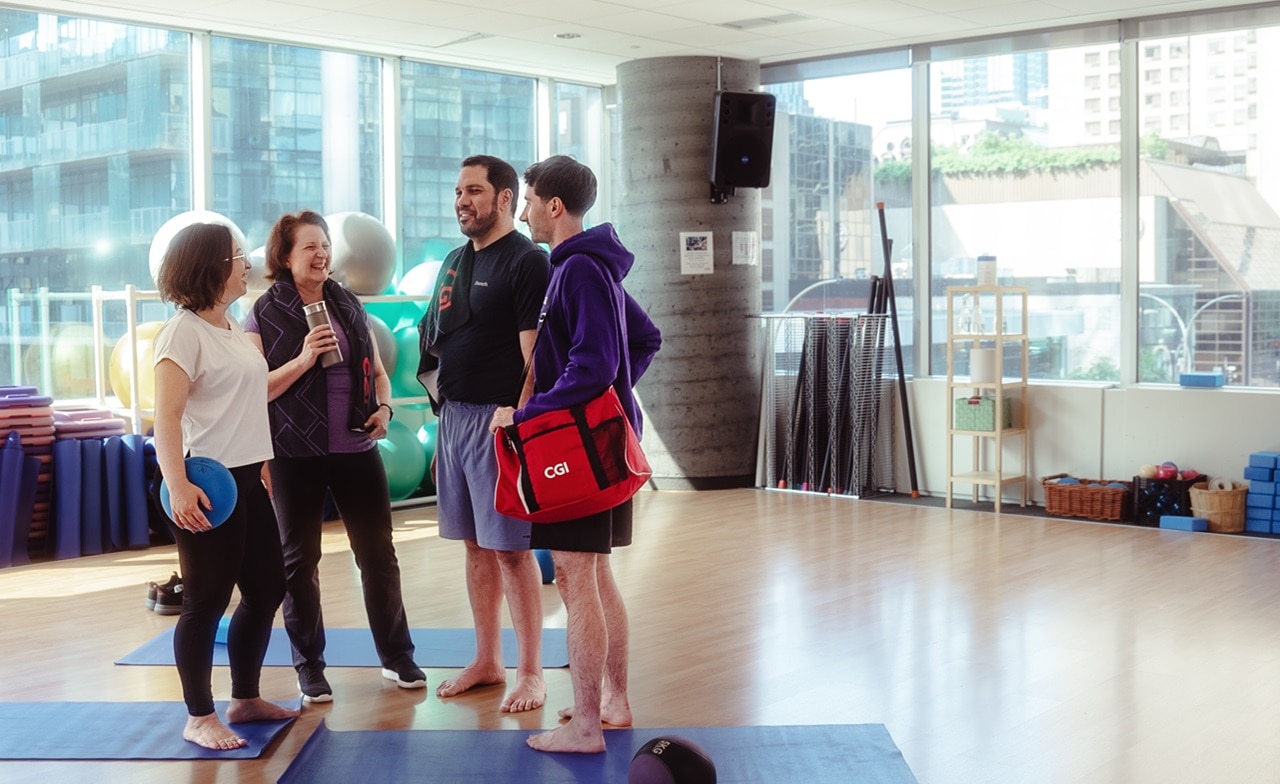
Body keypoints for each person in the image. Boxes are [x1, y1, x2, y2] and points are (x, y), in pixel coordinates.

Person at [489, 155, 661, 753]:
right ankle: (611, 700)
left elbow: (595, 364)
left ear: (553, 206)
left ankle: (586, 726)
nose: (526, 210)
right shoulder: (590, 266)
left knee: (572, 576)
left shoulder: (579, 270)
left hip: (583, 453)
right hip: (604, 444)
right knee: (594, 571)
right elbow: (643, 340)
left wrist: (531, 414)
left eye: (530, 199)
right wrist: (612, 400)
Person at [244, 210, 425, 703]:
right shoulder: (261, 312)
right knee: (298, 564)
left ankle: (397, 656)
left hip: (356, 448)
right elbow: (252, 390)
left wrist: (385, 408)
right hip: (293, 452)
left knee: (379, 557)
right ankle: (309, 667)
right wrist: (303, 358)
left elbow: (380, 374)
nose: (321, 253)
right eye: (309, 246)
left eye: (325, 244)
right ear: (284, 256)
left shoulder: (347, 304)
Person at [151, 222, 299, 750]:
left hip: (246, 475)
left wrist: (260, 462)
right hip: (204, 480)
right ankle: (198, 715)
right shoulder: (182, 332)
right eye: (238, 256)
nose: (246, 264)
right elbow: (165, 417)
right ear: (214, 266)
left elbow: (247, 398)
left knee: (266, 589)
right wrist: (178, 487)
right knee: (205, 600)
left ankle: (245, 696)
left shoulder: (230, 326)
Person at [417, 155, 551, 713]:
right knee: (474, 548)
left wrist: (517, 420)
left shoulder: (527, 260)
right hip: (455, 421)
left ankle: (531, 673)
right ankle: (487, 659)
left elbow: (534, 358)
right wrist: (441, 425)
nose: (461, 201)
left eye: (473, 190)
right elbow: (437, 345)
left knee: (512, 553)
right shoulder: (453, 261)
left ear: (503, 198)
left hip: (500, 423)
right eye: (457, 191)